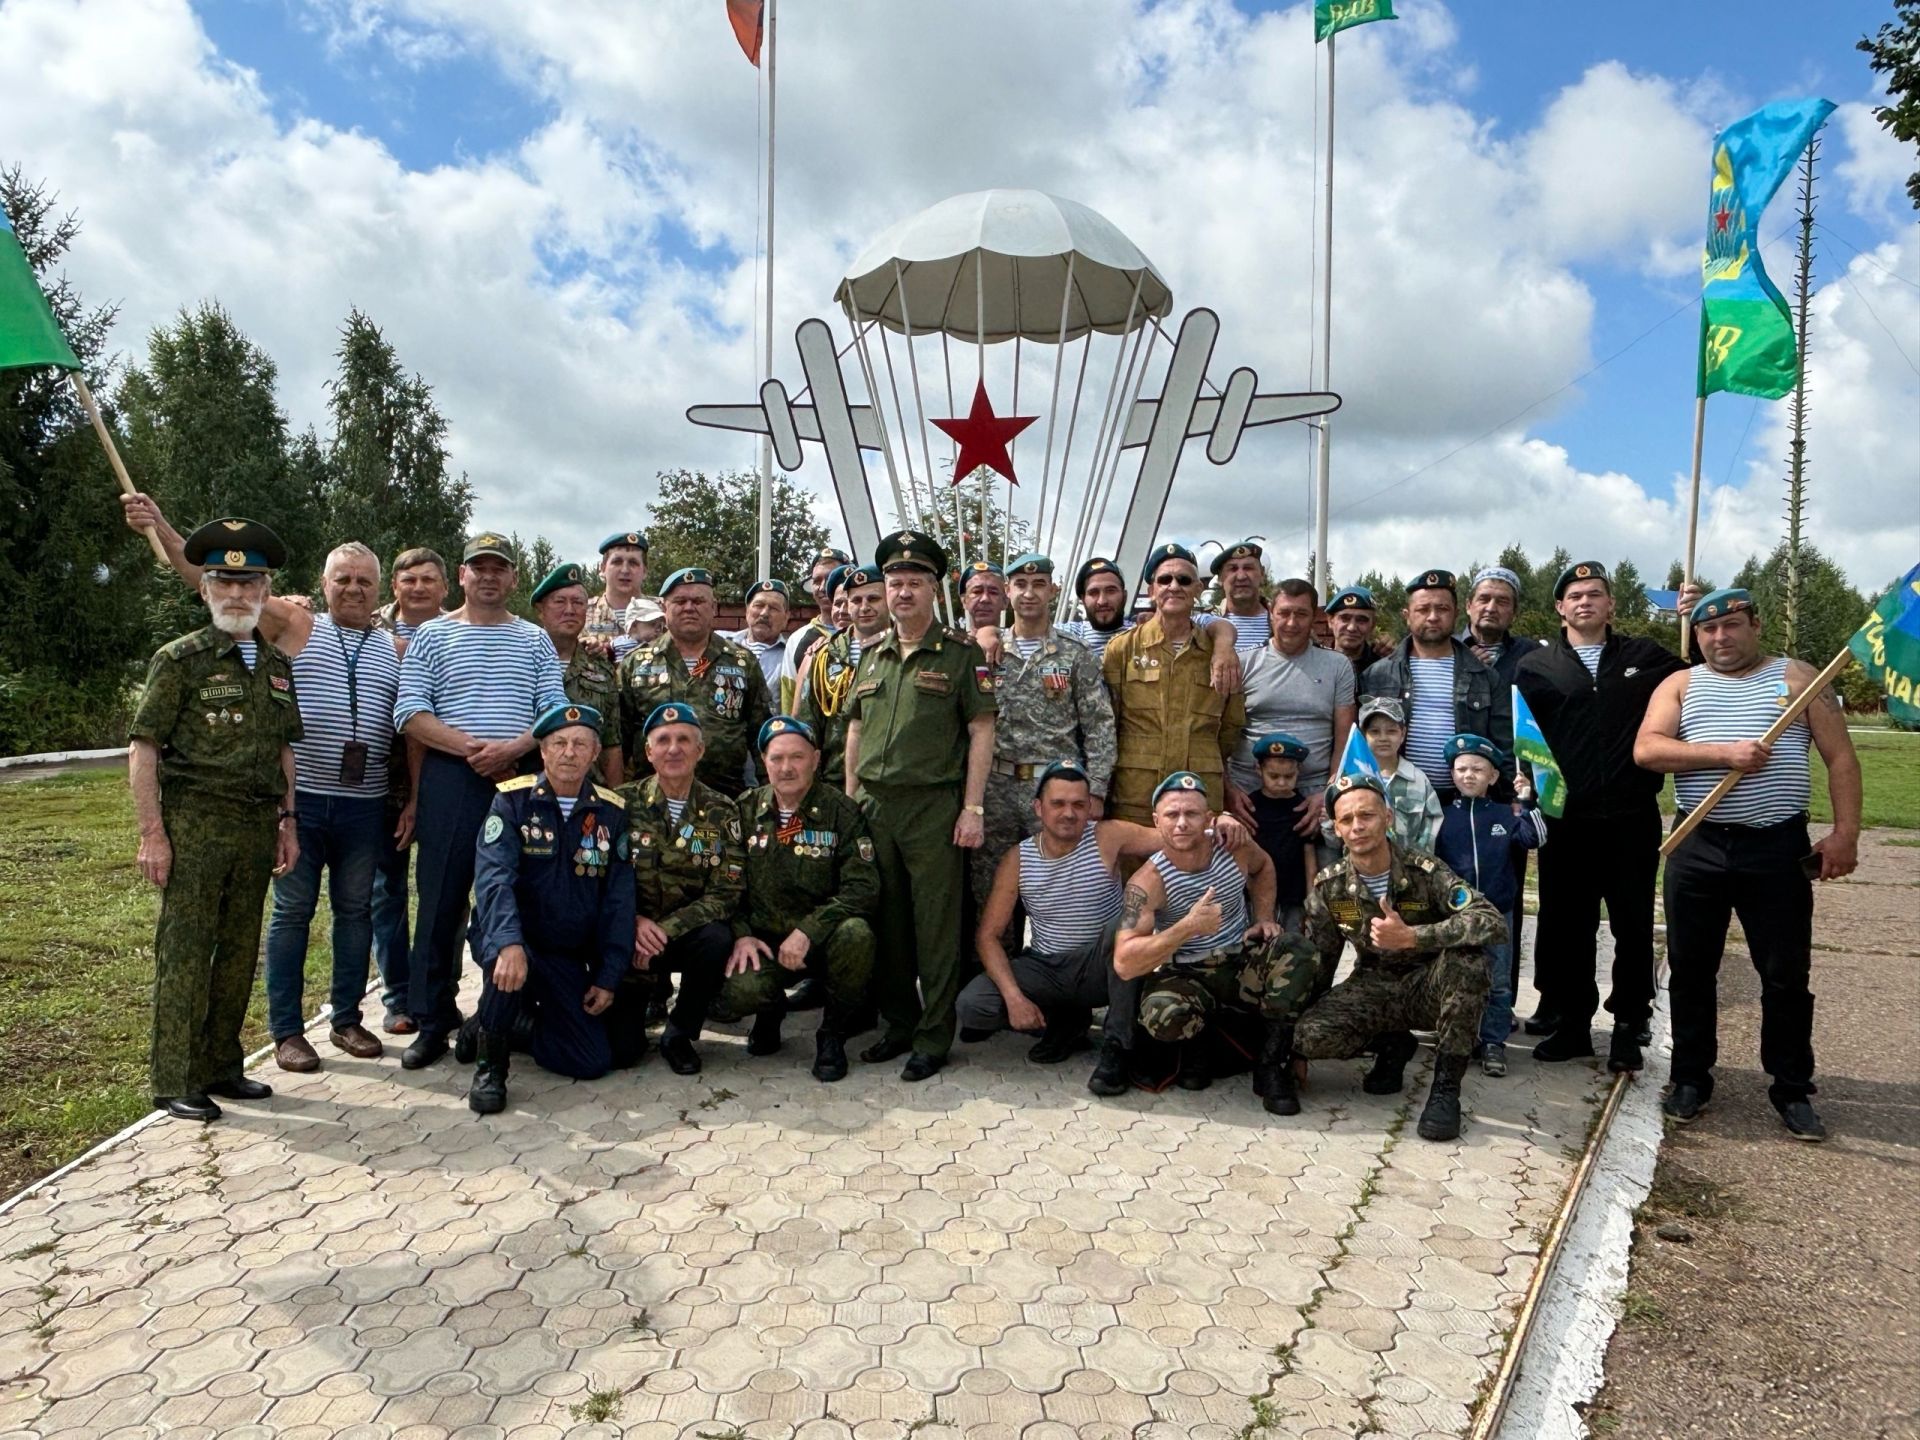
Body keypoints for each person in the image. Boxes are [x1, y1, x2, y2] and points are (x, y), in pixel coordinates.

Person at [119, 494, 402, 1071]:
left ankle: (346, 1019)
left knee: (354, 913)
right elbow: (219, 578)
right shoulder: (296, 623)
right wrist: (161, 526)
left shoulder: (397, 646)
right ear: (323, 586)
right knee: (293, 914)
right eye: (343, 578)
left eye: (364, 581)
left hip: (365, 803)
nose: (353, 588)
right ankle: (288, 1032)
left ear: (379, 589)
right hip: (303, 800)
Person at [1635, 588, 1861, 1141]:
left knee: (1785, 975)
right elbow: (1648, 749)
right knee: (1691, 970)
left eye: (1731, 626)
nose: (1719, 638)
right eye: (1707, 630)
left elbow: (1841, 757)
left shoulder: (1797, 678)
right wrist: (1723, 753)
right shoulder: (1681, 685)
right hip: (1698, 842)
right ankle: (1690, 1078)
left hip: (1776, 848)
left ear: (1755, 625)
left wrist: (1845, 835)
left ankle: (1792, 1088)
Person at [128, 519, 303, 1121]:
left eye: (248, 584)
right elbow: (143, 749)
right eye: (223, 583)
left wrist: (289, 821)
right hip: (195, 824)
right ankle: (175, 1078)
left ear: (265, 590)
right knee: (185, 952)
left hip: (256, 827)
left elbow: (285, 749)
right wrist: (153, 834)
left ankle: (223, 1066)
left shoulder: (277, 666)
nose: (236, 595)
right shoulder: (180, 660)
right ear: (204, 591)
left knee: (237, 952)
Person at [393, 532, 568, 1068]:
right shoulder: (432, 636)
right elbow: (410, 712)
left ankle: (512, 1010)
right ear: (462, 577)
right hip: (452, 776)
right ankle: (432, 1019)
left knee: (520, 896)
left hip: (518, 779)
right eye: (478, 567)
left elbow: (555, 709)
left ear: (513, 578)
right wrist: (470, 748)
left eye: (499, 568)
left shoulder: (535, 640)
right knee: (441, 899)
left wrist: (513, 748)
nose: (489, 576)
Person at [1516, 561, 1694, 1067]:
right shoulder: (1537, 666)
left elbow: (1698, 673)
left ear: (1611, 604)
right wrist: (1525, 780)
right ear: (1560, 607)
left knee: (1632, 926)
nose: (1585, 602)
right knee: (1569, 926)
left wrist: (1694, 613)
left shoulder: (1645, 657)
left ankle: (1627, 1024)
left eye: (1595, 594)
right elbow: (1525, 738)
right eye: (1575, 596)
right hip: (1565, 821)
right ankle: (1573, 1024)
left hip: (1630, 818)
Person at [843, 529, 996, 1081]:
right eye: (894, 582)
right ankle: (899, 1024)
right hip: (876, 806)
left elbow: (981, 730)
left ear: (934, 590)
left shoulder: (960, 654)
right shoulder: (873, 654)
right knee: (889, 924)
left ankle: (933, 1037)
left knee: (935, 928)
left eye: (914, 583)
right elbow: (856, 729)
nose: (902, 592)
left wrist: (972, 808)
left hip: (934, 806)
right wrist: (850, 796)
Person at [1294, 773, 1505, 1142]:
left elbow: (1491, 921)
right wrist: (1295, 1044)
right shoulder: (1331, 886)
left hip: (1429, 984)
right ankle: (1392, 1044)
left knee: (1469, 960)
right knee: (1309, 1037)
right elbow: (1321, 962)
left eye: (1367, 815)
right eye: (1347, 820)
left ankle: (1445, 1090)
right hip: (1374, 985)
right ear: (1337, 829)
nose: (1358, 826)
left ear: (1387, 818)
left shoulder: (1423, 870)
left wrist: (1413, 937)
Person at [1113, 772, 1322, 1115]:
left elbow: (1264, 866)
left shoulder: (1232, 845)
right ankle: (1199, 1051)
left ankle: (1271, 1065)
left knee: (1298, 950)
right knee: (1161, 1015)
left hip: (1240, 959)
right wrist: (1187, 927)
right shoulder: (1147, 882)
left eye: (1192, 814)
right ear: (1156, 821)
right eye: (1171, 815)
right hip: (1188, 971)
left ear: (1208, 818)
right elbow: (1124, 961)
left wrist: (1264, 917)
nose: (1182, 823)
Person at [466, 704, 636, 1113]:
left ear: (595, 754)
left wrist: (610, 975)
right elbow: (494, 880)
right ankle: (491, 1063)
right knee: (505, 972)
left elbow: (619, 899)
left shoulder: (611, 814)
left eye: (580, 744)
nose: (569, 753)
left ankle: (508, 1027)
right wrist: (508, 942)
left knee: (592, 1060)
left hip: (564, 953)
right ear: (542, 752)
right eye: (558, 743)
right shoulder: (512, 802)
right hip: (516, 939)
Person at [718, 716, 879, 1081]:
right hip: (764, 941)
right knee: (732, 997)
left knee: (857, 935)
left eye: (797, 757)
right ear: (763, 762)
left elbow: (863, 888)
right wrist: (742, 934)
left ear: (816, 758)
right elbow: (726, 886)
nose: (786, 768)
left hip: (822, 941)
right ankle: (769, 1010)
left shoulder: (842, 812)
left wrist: (808, 930)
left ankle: (832, 1033)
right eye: (776, 759)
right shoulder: (744, 811)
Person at [971, 553, 1117, 921]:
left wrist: (1096, 789)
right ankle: (995, 975)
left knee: (1061, 893)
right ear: (1007, 592)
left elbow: (1100, 725)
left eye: (1038, 585)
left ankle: (1057, 974)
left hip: (1056, 792)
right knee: (991, 896)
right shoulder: (985, 652)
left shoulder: (1075, 654)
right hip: (996, 788)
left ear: (1053, 590)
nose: (1029, 594)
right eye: (1020, 585)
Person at [613, 703, 745, 1075]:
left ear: (700, 750)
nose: (674, 749)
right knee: (622, 1053)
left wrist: (666, 930)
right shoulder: (620, 805)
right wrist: (634, 922)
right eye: (664, 740)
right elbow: (601, 882)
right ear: (648, 751)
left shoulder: (722, 810)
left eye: (684, 740)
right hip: (630, 939)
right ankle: (640, 1006)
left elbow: (727, 892)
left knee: (717, 937)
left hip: (684, 937)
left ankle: (680, 1033)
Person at [1103, 543, 1248, 824]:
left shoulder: (1220, 655)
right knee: (1135, 866)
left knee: (1198, 865)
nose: (1174, 586)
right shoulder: (1123, 649)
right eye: (1164, 579)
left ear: (1197, 590)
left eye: (1184, 580)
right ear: (1151, 590)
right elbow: (1108, 721)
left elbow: (1231, 725)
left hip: (1199, 791)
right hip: (1135, 792)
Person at [371, 546, 449, 1033]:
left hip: (444, 774)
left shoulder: (460, 628)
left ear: (446, 587)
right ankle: (398, 996)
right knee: (387, 891)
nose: (418, 587)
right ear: (394, 587)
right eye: (409, 580)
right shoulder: (366, 626)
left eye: (428, 580)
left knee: (444, 891)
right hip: (380, 779)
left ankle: (436, 994)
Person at [1434, 735, 1545, 1078]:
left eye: (1478, 769)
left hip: (1498, 913)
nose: (1469, 775)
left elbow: (1535, 838)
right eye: (1462, 768)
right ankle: (1455, 1037)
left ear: (1493, 777)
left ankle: (1494, 1042)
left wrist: (1526, 801)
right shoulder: (1439, 816)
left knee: (1497, 981)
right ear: (1452, 774)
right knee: (1453, 977)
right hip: (1455, 915)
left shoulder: (1505, 812)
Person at [617, 567, 773, 797]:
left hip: (724, 801)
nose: (689, 608)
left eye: (698, 601)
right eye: (680, 601)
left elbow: (760, 735)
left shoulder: (742, 662)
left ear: (713, 608)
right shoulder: (635, 664)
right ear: (664, 607)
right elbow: (618, 740)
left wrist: (768, 796)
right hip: (650, 806)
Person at [1363, 570, 1511, 804]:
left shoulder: (1485, 677)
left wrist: (1510, 798)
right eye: (1423, 609)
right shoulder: (1378, 675)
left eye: (1442, 609)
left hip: (1466, 801)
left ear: (1456, 614)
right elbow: (1361, 744)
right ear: (1407, 615)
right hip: (1397, 800)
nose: (1432, 617)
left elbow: (1504, 746)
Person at [1228, 579, 1356, 842]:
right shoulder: (1242, 663)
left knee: (1318, 879)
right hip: (1248, 798)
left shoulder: (1338, 666)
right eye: (1284, 613)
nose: (1291, 623)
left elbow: (1344, 740)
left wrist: (1329, 794)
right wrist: (1227, 790)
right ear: (1270, 614)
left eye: (1301, 614)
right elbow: (1217, 734)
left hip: (1313, 797)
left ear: (1314, 617)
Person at [530, 562, 624, 784]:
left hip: (587, 792)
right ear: (541, 610)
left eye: (578, 602)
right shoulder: (520, 660)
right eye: (560, 602)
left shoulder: (601, 667)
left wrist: (617, 801)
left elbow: (611, 742)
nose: (570, 610)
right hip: (525, 791)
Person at [794, 563, 886, 787]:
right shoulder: (823, 655)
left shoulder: (905, 650)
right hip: (833, 781)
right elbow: (806, 726)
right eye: (853, 601)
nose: (863, 607)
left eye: (873, 599)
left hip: (888, 782)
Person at [1330, 697, 1442, 852]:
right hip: (1360, 869)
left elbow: (1430, 831)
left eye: (1391, 731)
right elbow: (1333, 837)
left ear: (1403, 734)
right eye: (1375, 731)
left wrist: (1417, 868)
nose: (1383, 738)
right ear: (1363, 735)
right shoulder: (1348, 779)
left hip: (1408, 870)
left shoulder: (1418, 781)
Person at [1246, 733, 1316, 931]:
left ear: (1298, 771)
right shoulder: (1250, 807)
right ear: (1258, 769)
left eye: (1288, 776)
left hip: (1293, 896)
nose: (1282, 783)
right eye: (1274, 776)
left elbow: (1309, 854)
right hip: (1256, 895)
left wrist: (1312, 899)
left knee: (1293, 945)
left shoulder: (1302, 808)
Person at [779, 545, 852, 709]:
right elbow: (789, 699)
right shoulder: (797, 640)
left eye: (831, 578)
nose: (823, 587)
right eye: (817, 581)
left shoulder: (872, 631)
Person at [584, 530, 650, 649]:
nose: (625, 570)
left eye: (633, 563)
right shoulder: (582, 612)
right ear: (603, 568)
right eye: (617, 562)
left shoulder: (664, 611)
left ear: (644, 571)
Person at [1210, 539, 1272, 652]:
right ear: (1220, 578)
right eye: (1233, 569)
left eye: (1248, 568)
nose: (1241, 576)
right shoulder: (1206, 623)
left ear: (1262, 573)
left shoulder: (1281, 621)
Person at [730, 579, 791, 694]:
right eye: (759, 605)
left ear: (786, 617)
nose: (764, 613)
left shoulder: (791, 655)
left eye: (773, 608)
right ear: (747, 611)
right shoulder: (723, 644)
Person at [1326, 586, 1391, 682]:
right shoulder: (1316, 663)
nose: (1351, 628)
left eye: (1361, 620)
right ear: (1330, 621)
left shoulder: (1386, 667)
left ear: (1372, 625)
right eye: (1345, 618)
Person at [959, 560, 1008, 637]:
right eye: (977, 592)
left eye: (993, 592)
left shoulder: (1017, 644)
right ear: (964, 601)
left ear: (1005, 601)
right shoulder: (951, 647)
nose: (985, 599)